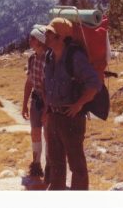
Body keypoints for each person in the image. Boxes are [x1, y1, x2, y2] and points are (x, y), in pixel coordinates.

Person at [43, 17, 101, 190]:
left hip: (71, 118)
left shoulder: (75, 57)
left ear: (60, 37)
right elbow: (48, 85)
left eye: (49, 33)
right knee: (56, 164)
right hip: (53, 116)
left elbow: (94, 84)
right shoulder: (49, 56)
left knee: (77, 166)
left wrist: (79, 105)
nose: (45, 36)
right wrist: (47, 109)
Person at [22, 25, 48, 178]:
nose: (29, 40)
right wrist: (25, 103)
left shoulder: (49, 59)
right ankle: (36, 164)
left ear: (39, 41)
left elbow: (50, 86)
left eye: (32, 38)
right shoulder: (32, 58)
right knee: (35, 132)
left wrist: (47, 109)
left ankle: (50, 166)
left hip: (47, 102)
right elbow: (29, 82)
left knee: (48, 135)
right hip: (36, 100)